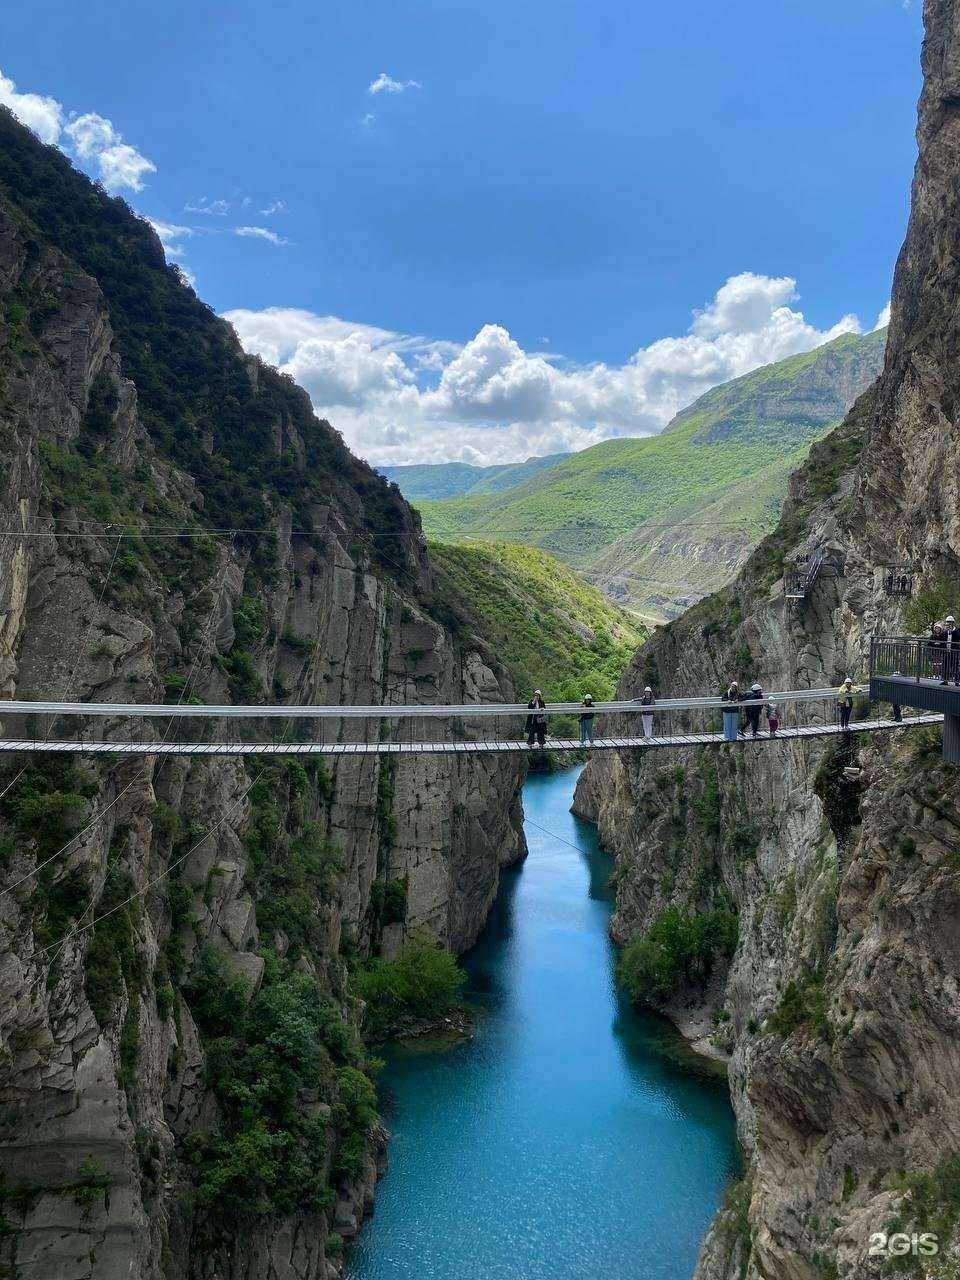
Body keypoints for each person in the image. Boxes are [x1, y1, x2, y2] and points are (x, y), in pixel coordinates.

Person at [944, 616, 960, 686]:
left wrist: (951, 632)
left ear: (953, 623)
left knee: (955, 666)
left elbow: (958, 637)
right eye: (948, 622)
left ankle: (957, 681)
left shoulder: (957, 630)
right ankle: (945, 680)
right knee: (945, 666)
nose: (949, 624)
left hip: (955, 651)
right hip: (947, 651)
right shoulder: (945, 631)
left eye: (950, 622)